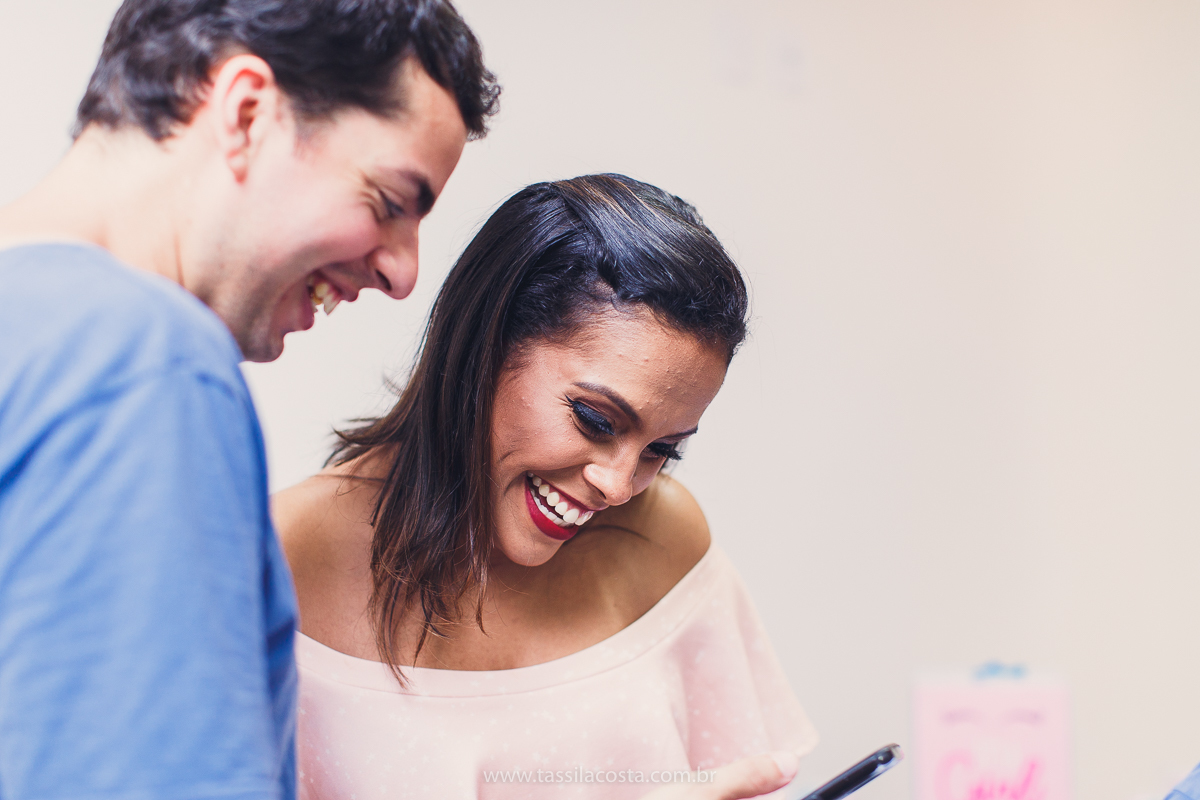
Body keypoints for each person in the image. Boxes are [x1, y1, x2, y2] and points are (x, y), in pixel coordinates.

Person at [0, 2, 800, 799]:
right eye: (389, 200)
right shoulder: (147, 369)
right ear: (244, 112)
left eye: (664, 447)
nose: (403, 275)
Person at [274, 173, 819, 800]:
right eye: (595, 419)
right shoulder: (278, 562)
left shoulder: (665, 540)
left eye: (662, 450)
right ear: (487, 342)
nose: (617, 486)